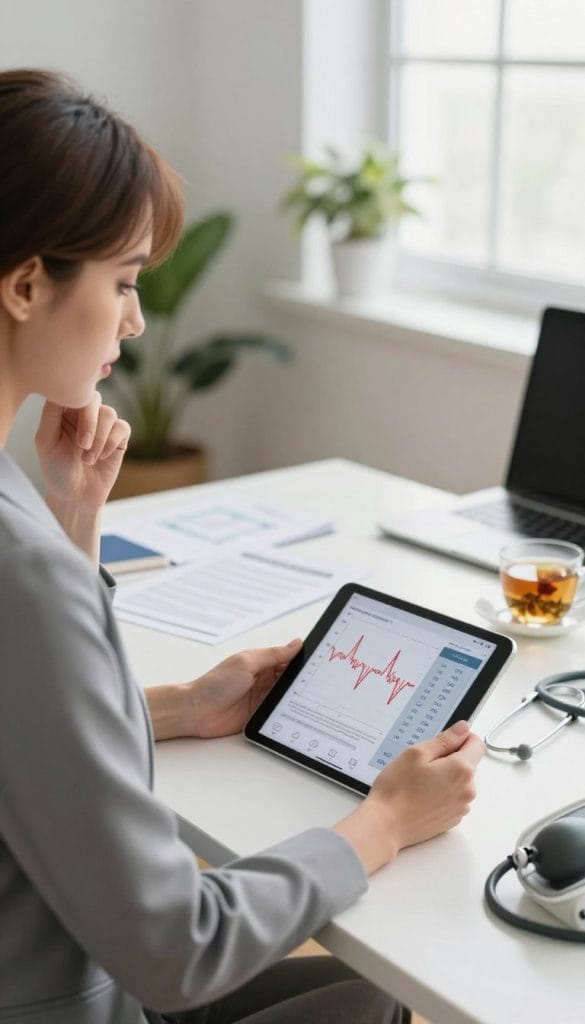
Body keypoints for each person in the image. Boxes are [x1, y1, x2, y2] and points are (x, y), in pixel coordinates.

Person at [0, 69, 484, 1024]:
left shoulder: (23, 530)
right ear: (24, 285)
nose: (136, 320)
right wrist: (385, 820)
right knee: (382, 998)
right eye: (125, 282)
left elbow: (26, 732)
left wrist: (179, 701)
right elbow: (181, 949)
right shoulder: (20, 574)